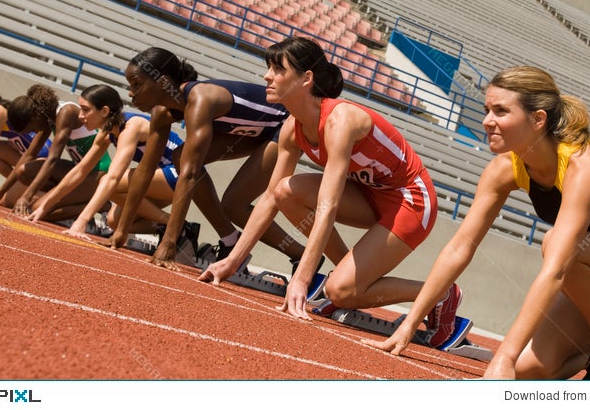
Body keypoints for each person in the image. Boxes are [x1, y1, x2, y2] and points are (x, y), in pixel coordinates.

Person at [363, 65, 590, 380]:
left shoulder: (582, 163)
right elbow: (460, 247)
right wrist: (410, 323)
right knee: (527, 370)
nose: (487, 121)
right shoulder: (503, 169)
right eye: (487, 110)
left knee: (558, 245)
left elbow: (557, 268)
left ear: (538, 119)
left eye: (501, 111)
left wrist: (503, 356)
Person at [199, 37, 458, 346]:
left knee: (340, 291)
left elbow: (328, 204)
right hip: (369, 194)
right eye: (268, 68)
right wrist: (233, 260)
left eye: (278, 69)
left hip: (410, 200)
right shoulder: (291, 128)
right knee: (285, 191)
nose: (267, 76)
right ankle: (349, 279)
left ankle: (441, 293)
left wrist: (303, 279)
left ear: (306, 78)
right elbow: (269, 197)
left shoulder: (340, 121)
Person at [109, 46, 312, 271]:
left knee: (233, 205)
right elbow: (144, 171)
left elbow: (189, 175)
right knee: (180, 157)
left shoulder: (200, 99)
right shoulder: (161, 113)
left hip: (287, 125)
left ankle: (302, 256)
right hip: (251, 132)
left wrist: (169, 242)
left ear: (163, 82)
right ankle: (230, 240)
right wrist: (121, 230)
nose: (131, 93)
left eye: (137, 84)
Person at [26, 84, 192, 248]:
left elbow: (113, 177)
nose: (80, 116)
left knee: (110, 182)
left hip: (183, 175)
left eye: (85, 109)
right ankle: (180, 227)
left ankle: (175, 225)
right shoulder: (106, 133)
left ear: (104, 111)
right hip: (160, 179)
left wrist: (81, 221)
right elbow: (80, 170)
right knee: (114, 221)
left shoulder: (131, 127)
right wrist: (45, 206)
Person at [2, 83, 112, 218]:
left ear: (36, 116)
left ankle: (102, 205)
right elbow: (29, 155)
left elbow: (53, 159)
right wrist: (0, 192)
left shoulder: (66, 112)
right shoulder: (47, 118)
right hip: (79, 169)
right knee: (22, 172)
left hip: (98, 173)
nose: (34, 132)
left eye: (32, 129)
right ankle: (66, 199)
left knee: (38, 209)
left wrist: (26, 197)